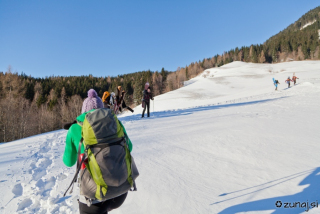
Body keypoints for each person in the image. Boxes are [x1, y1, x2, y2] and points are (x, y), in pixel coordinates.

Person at [63, 89, 130, 214]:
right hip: (120, 190)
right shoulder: (115, 121)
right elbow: (129, 147)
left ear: (84, 111)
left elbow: (68, 162)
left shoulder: (74, 128)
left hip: (93, 196)